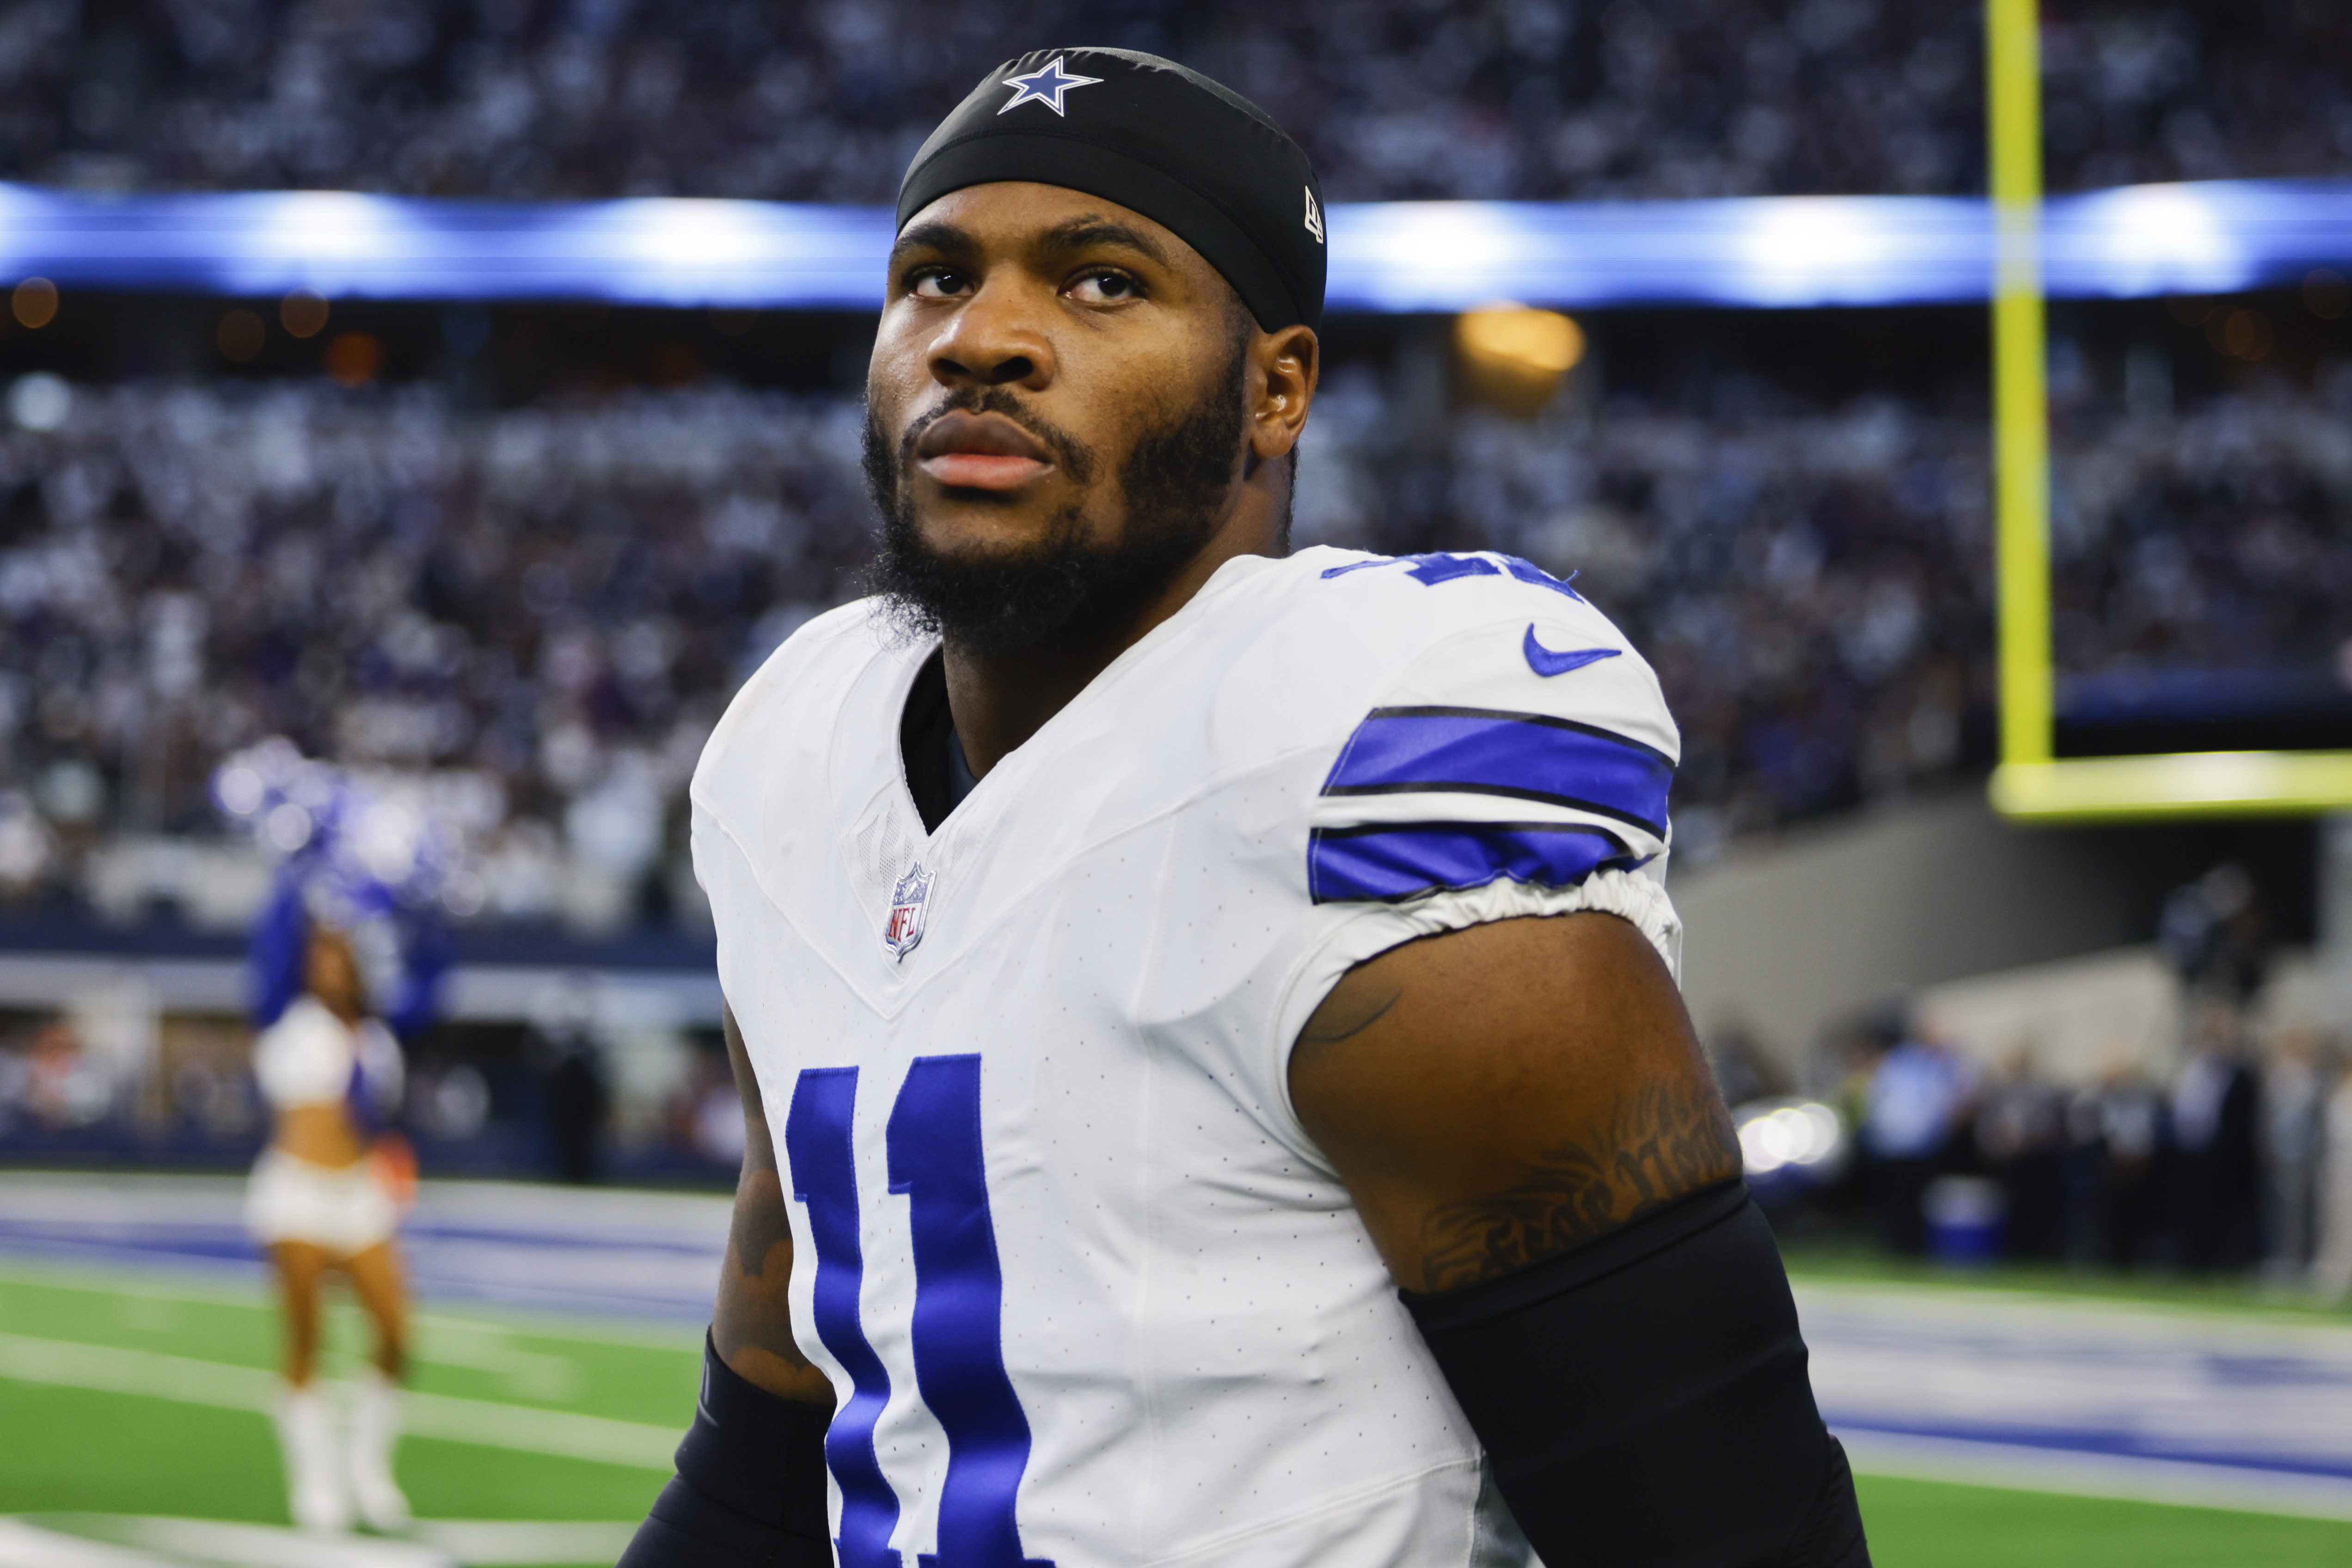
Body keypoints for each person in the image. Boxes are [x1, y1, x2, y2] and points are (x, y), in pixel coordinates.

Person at [622, 47, 1867, 1568]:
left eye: (1098, 284)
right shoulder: (793, 754)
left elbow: (1718, 1525)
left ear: (1274, 388)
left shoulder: (1361, 754)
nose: (981, 339)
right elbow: (767, 1449)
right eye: (934, 276)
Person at [244, 925, 411, 1532]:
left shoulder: (377, 1041)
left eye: (335, 962)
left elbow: (377, 1124)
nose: (326, 972)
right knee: (305, 1338)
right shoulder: (290, 1028)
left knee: (396, 1333)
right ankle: (315, 1479)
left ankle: (367, 1468)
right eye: (316, 961)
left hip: (360, 1191)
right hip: (297, 1192)